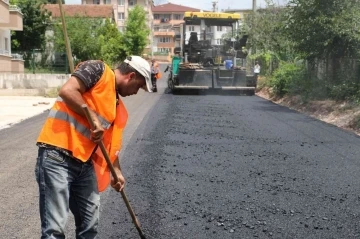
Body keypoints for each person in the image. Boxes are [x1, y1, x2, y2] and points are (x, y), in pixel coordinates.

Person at [35, 55, 152, 239]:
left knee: (89, 225)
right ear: (130, 76)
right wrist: (92, 117)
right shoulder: (97, 69)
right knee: (54, 230)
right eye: (138, 86)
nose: (136, 92)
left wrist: (116, 170)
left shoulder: (116, 105)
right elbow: (67, 90)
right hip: (57, 155)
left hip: (83, 164)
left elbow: (110, 145)